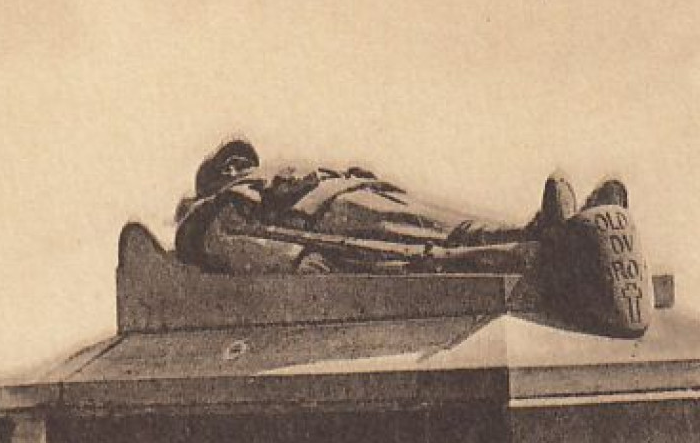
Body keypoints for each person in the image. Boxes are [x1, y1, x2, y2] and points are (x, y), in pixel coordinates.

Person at [173, 136, 651, 336]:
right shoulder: (215, 209)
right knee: (431, 240)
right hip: (326, 219)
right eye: (228, 165)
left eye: (241, 160)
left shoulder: (273, 174)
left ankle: (542, 232)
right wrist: (293, 259)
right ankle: (537, 244)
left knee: (445, 220)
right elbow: (227, 243)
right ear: (215, 179)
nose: (239, 166)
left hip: (354, 194)